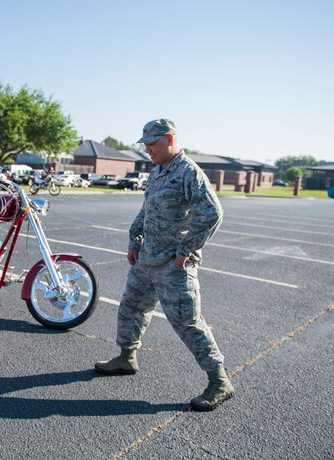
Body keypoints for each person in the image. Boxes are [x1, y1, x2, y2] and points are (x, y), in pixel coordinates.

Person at [94, 118, 234, 412]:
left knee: (188, 322)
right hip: (147, 259)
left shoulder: (188, 173)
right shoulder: (158, 171)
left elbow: (212, 214)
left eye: (152, 143)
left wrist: (187, 249)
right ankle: (126, 357)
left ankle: (219, 381)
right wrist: (134, 239)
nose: (147, 149)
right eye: (145, 144)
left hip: (174, 265)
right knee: (131, 307)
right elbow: (146, 209)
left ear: (169, 140)